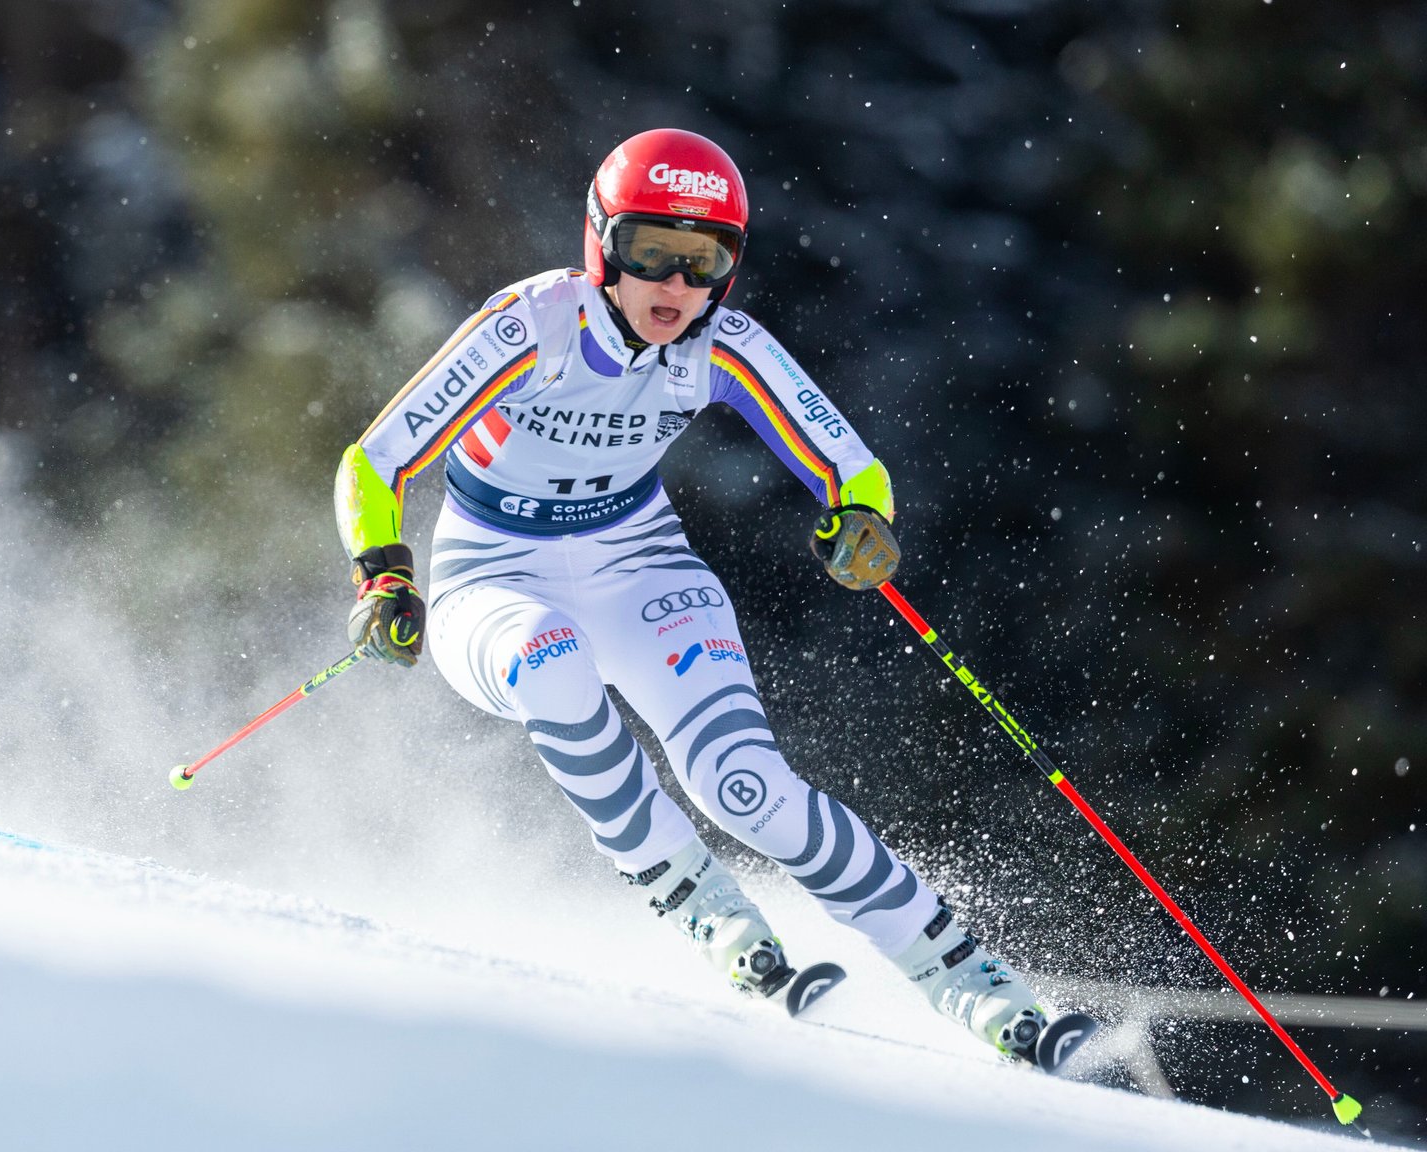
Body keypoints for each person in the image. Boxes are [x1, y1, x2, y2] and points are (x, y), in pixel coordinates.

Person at [333, 128, 1054, 1061]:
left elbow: (854, 470)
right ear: (602, 245)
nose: (675, 287)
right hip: (492, 577)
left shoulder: (723, 343)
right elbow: (373, 460)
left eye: (704, 261)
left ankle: (970, 981)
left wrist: (860, 522)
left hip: (638, 564)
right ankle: (702, 904)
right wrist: (383, 573)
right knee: (551, 661)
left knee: (744, 786)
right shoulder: (532, 325)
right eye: (651, 254)